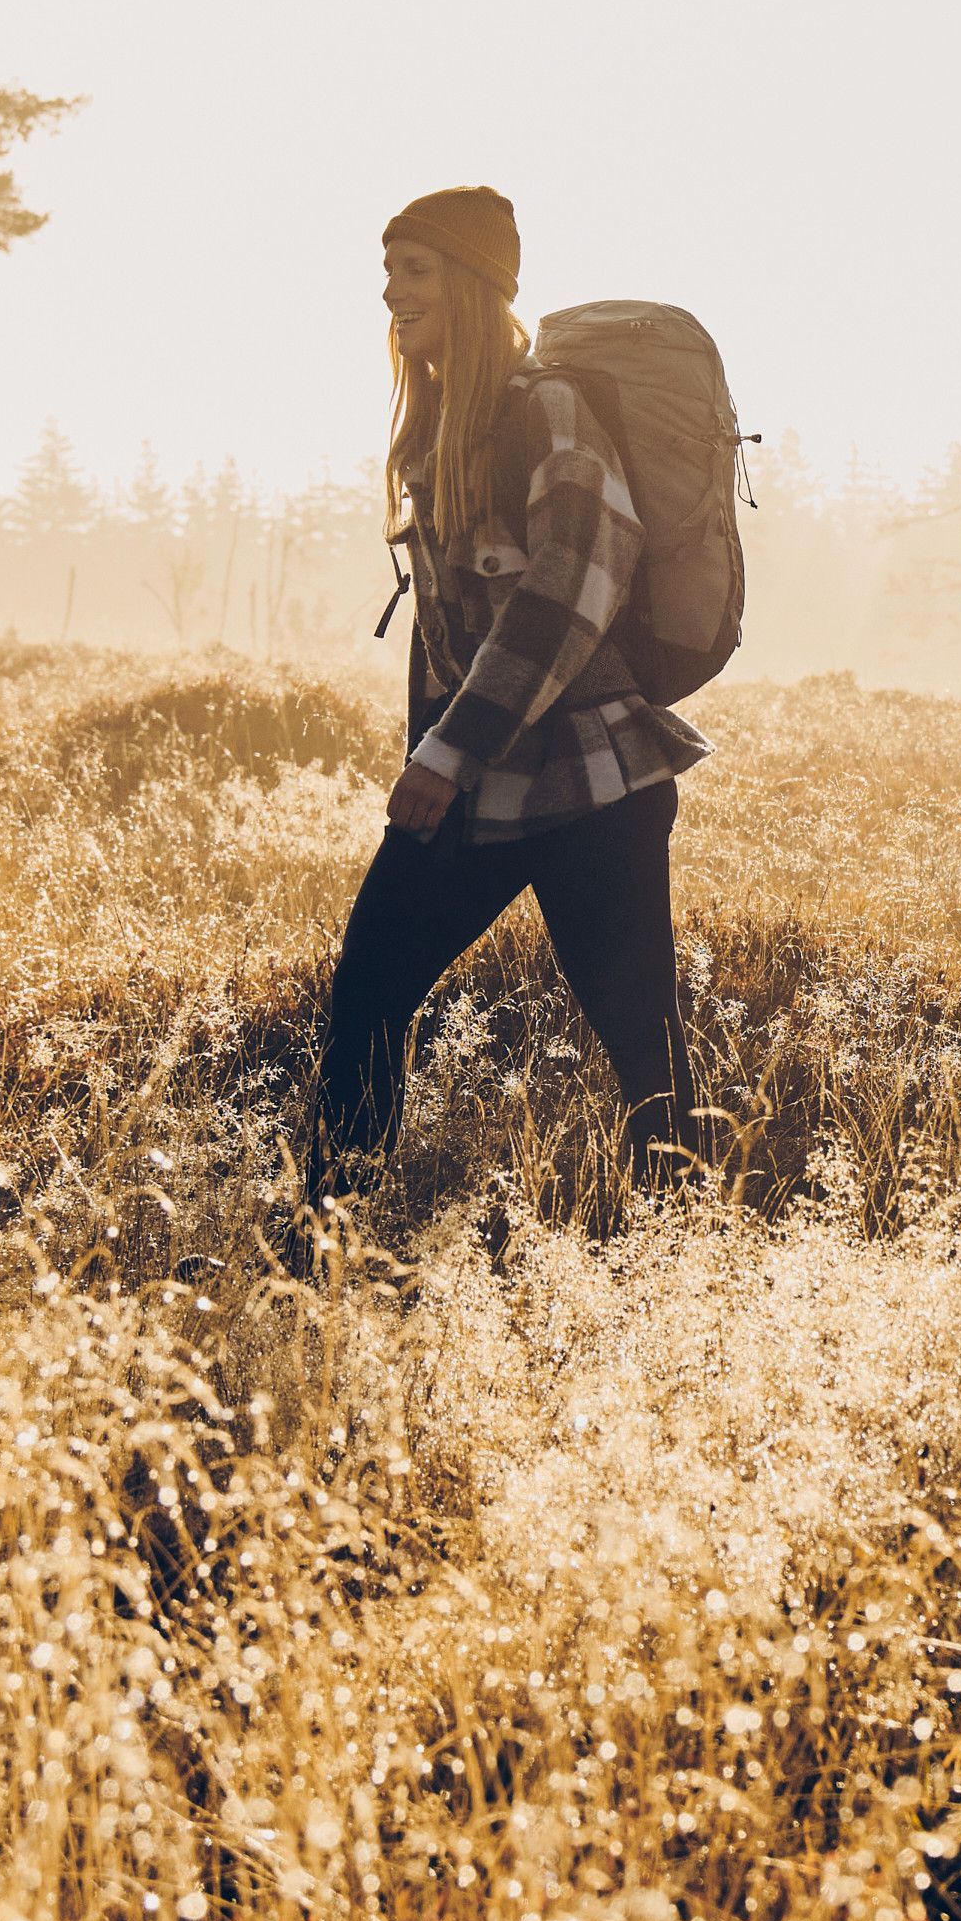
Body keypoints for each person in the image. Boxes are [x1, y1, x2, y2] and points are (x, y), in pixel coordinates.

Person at [309, 185, 706, 1196]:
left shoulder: (548, 413)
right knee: (369, 987)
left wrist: (448, 750)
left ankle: (682, 1252)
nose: (392, 292)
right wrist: (430, 751)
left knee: (640, 1041)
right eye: (389, 270)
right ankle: (331, 1233)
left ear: (478, 285)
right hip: (484, 779)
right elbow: (448, 636)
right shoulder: (444, 427)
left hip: (591, 783)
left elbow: (575, 585)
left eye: (417, 270)